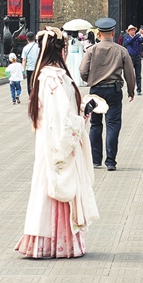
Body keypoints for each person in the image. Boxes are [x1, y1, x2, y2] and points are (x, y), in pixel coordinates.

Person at [16, 28, 99, 258]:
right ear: (60, 50)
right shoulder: (55, 79)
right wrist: (79, 121)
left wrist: (81, 113)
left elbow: (63, 112)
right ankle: (58, 242)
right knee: (58, 186)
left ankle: (45, 241)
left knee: (48, 186)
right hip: (57, 141)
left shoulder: (45, 77)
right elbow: (60, 118)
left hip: (49, 140)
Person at [79, 18, 136, 171]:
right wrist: (131, 90)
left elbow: (83, 71)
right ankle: (110, 161)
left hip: (96, 91)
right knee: (113, 125)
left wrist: (89, 79)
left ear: (99, 34)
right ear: (113, 32)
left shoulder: (91, 50)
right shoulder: (121, 50)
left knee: (96, 125)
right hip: (114, 90)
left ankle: (95, 159)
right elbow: (130, 73)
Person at [120, 25, 143, 95]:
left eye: (134, 30)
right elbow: (129, 41)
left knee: (138, 75)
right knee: (130, 75)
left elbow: (142, 40)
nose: (133, 31)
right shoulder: (126, 38)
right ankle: (130, 89)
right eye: (131, 30)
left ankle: (139, 89)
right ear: (128, 31)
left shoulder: (137, 38)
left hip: (137, 57)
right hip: (130, 58)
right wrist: (137, 35)